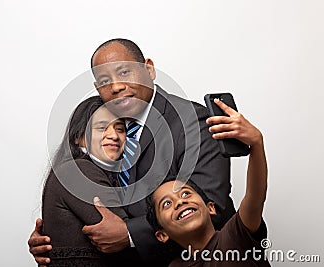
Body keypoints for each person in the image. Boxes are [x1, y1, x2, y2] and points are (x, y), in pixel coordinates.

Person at [29, 39, 236, 266]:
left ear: (149, 69)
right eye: (105, 81)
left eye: (124, 72)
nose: (116, 86)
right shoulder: (110, 136)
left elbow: (213, 203)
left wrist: (130, 235)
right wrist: (60, 242)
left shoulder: (191, 120)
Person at [146, 99, 270, 266]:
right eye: (166, 203)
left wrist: (256, 143)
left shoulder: (235, 236)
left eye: (185, 193)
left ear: (210, 207)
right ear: (162, 235)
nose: (180, 201)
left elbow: (255, 197)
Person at [42, 96, 140, 266]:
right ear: (77, 137)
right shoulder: (77, 171)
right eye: (102, 128)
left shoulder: (114, 175)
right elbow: (123, 233)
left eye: (120, 129)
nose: (114, 135)